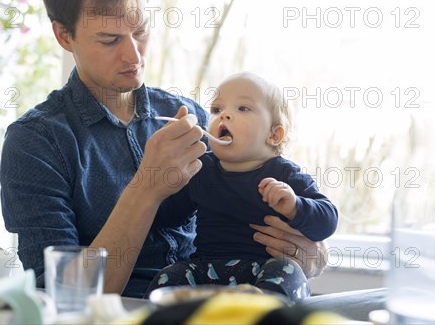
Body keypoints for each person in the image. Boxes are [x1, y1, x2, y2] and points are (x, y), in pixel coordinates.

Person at [0, 0, 388, 321]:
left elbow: (282, 215)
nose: (134, 55)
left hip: (237, 302)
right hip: (137, 311)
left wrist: (310, 255)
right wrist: (148, 186)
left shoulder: (194, 119)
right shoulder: (35, 142)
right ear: (64, 36)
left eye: (141, 32)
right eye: (110, 39)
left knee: (388, 303)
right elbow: (65, 295)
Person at [144, 72, 338, 302]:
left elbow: (327, 221)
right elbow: (166, 219)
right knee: (169, 276)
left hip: (264, 271)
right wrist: (164, 185)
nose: (224, 115)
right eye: (216, 109)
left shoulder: (284, 173)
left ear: (274, 134)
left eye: (243, 108)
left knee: (288, 272)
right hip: (204, 270)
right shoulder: (199, 168)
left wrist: (295, 206)